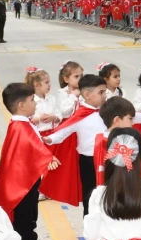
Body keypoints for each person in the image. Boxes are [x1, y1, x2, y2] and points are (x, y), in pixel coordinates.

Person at [0, 83, 59, 240]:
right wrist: (47, 156)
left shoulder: (24, 123)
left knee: (30, 215)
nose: (35, 102)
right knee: (23, 216)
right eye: (31, 99)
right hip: (20, 184)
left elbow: (31, 144)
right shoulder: (20, 126)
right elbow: (31, 145)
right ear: (21, 105)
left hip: (27, 180)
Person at [41, 75, 109, 216]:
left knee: (107, 193)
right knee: (90, 194)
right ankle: (90, 224)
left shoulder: (108, 111)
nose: (104, 95)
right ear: (87, 95)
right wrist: (49, 139)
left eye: (105, 92)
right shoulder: (80, 115)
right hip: (88, 160)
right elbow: (64, 131)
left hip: (107, 158)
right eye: (101, 92)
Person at [25, 67, 61, 135]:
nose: (49, 84)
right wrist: (38, 118)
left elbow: (59, 116)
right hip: (37, 135)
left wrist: (54, 117)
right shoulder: (30, 101)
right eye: (46, 82)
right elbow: (27, 121)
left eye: (49, 81)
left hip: (53, 134)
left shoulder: (51, 99)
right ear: (37, 86)